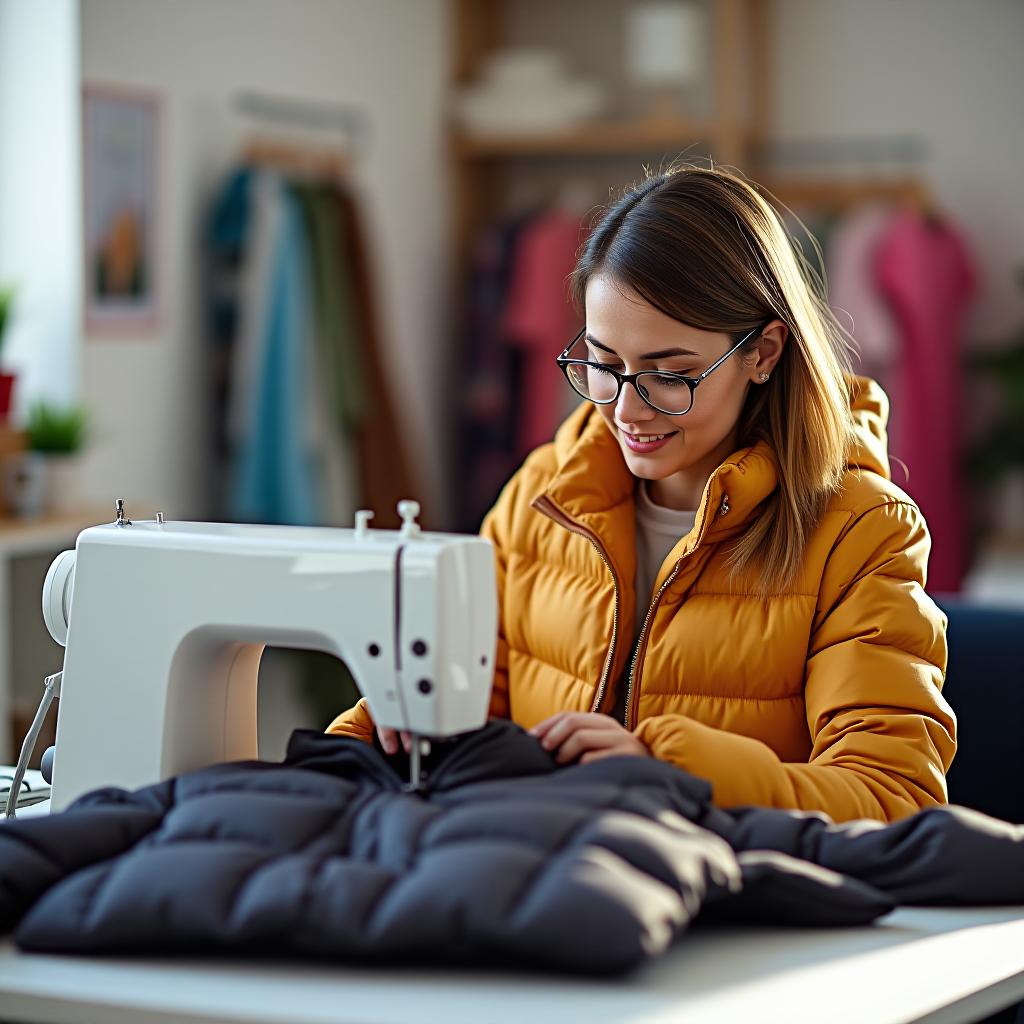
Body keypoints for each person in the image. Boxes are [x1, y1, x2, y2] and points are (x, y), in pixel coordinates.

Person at [326, 162, 955, 824]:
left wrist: (670, 770)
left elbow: (894, 798)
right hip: (551, 884)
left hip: (742, 909)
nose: (627, 409)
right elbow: (471, 696)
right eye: (603, 364)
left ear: (764, 352)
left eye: (670, 374)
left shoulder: (861, 532)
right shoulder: (543, 495)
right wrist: (388, 725)